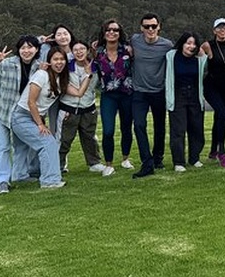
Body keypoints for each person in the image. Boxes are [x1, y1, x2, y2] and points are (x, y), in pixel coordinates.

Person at [11, 46, 92, 189]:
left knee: (31, 147)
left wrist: (88, 75)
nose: (59, 62)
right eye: (55, 59)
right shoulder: (42, 75)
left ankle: (23, 176)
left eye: (62, 59)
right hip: (22, 116)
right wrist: (40, 124)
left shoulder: (61, 81)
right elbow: (31, 102)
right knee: (48, 143)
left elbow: (79, 93)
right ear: (49, 61)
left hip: (35, 117)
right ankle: (50, 181)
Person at [0, 35, 41, 194]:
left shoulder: (38, 67)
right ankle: (3, 181)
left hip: (21, 113)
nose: (26, 51)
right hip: (1, 110)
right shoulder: (7, 63)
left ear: (37, 49)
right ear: (18, 50)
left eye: (30, 47)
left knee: (21, 145)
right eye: (23, 48)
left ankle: (20, 175)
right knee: (3, 146)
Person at [129, 13, 174, 178]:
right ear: (141, 28)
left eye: (153, 26)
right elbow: (115, 45)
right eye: (146, 26)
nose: (150, 29)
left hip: (159, 91)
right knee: (139, 125)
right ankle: (147, 163)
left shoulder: (167, 45)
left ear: (159, 27)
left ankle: (158, 158)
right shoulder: (134, 40)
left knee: (159, 127)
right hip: (139, 91)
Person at [92, 19, 135, 177]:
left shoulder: (128, 50)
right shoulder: (98, 52)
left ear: (120, 33)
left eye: (115, 30)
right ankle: (109, 164)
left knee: (126, 128)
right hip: (108, 96)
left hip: (127, 94)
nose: (112, 32)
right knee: (108, 130)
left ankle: (125, 158)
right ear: (103, 33)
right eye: (108, 30)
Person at [57, 40, 106, 175]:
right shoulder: (67, 67)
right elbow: (75, 91)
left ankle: (94, 163)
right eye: (76, 50)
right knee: (64, 140)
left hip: (88, 108)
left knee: (90, 138)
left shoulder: (95, 67)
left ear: (87, 50)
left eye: (82, 49)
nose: (79, 52)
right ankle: (59, 165)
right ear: (72, 53)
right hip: (69, 109)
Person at [165, 32, 208, 172]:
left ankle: (194, 158)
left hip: (195, 96)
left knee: (197, 129)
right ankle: (179, 162)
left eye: (194, 43)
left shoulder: (200, 59)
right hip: (177, 96)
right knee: (178, 130)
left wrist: (204, 54)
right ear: (182, 43)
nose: (191, 46)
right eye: (188, 43)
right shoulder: (171, 56)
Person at [201, 18, 225, 168]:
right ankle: (222, 152)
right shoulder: (208, 45)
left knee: (219, 116)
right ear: (214, 30)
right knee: (223, 113)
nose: (223, 30)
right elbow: (198, 61)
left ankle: (212, 150)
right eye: (219, 28)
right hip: (211, 85)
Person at [38, 24, 76, 135]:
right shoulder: (47, 49)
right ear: (54, 37)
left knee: (69, 125)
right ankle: (53, 146)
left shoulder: (76, 51)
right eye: (58, 34)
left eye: (65, 34)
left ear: (70, 35)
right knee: (53, 121)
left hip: (70, 92)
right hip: (52, 91)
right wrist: (41, 39)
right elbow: (30, 44)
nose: (63, 37)